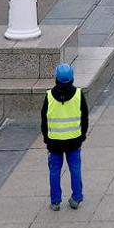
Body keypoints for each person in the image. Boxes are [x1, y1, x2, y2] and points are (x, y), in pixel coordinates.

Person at [41, 62, 89, 211]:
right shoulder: (78, 95)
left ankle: (55, 202)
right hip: (74, 140)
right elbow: (85, 118)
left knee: (54, 171)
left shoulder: (49, 96)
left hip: (54, 142)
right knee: (75, 169)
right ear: (72, 78)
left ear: (56, 78)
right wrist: (82, 136)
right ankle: (76, 198)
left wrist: (46, 138)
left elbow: (44, 120)